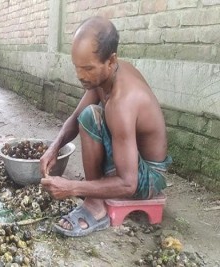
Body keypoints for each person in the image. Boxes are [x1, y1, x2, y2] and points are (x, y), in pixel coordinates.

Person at [40, 16, 172, 237]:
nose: (80, 75)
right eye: (77, 67)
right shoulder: (103, 77)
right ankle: (94, 191)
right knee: (86, 114)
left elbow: (128, 184)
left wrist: (71, 187)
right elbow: (74, 118)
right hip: (131, 157)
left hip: (147, 178)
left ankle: (95, 204)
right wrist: (54, 148)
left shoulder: (123, 101)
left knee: (91, 116)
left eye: (88, 68)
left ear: (111, 61)